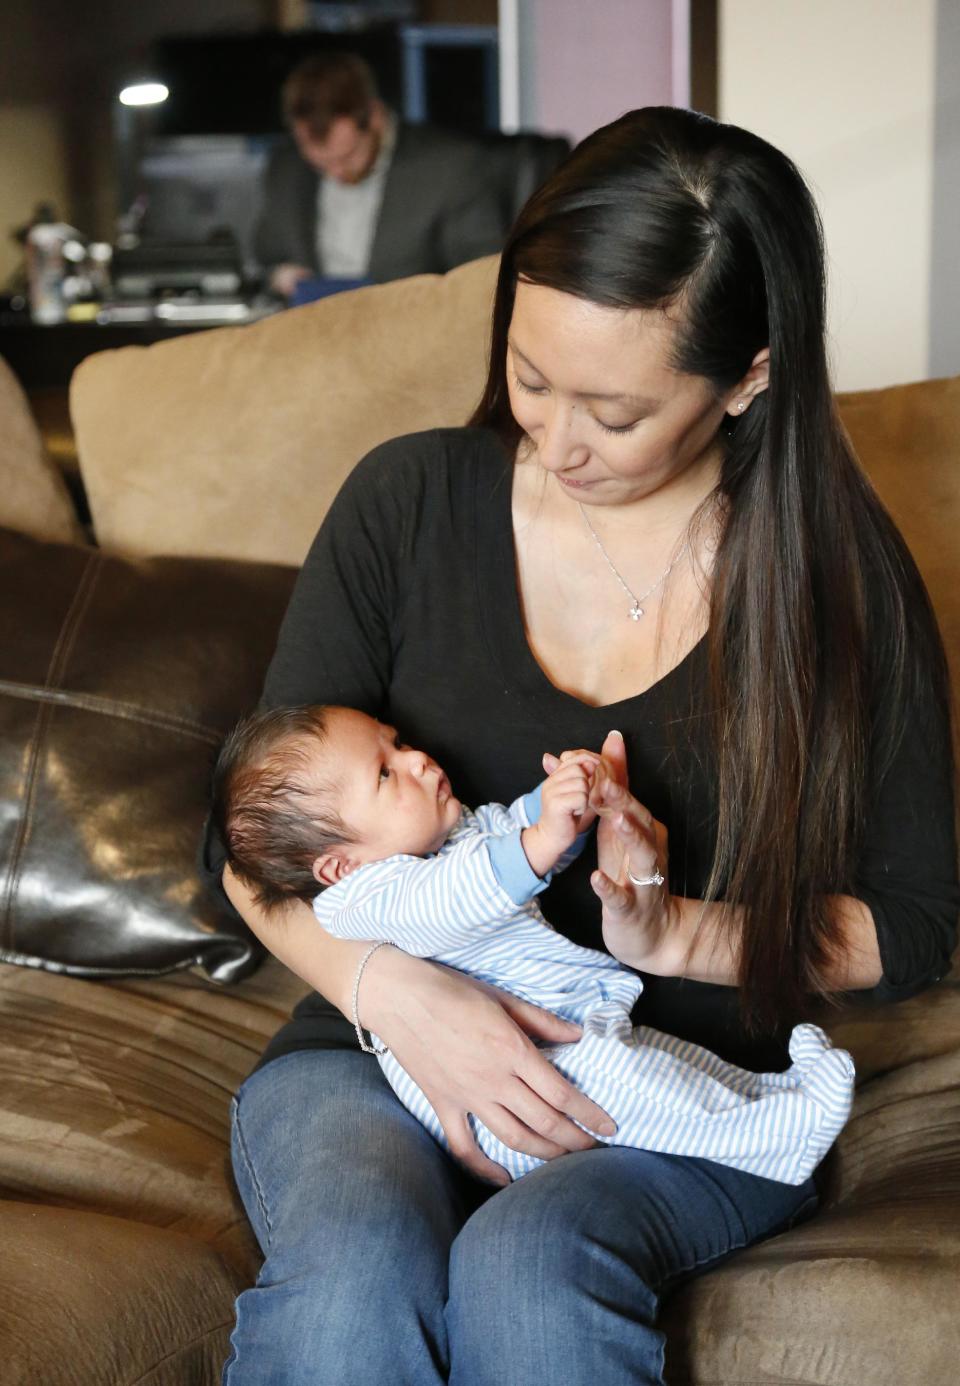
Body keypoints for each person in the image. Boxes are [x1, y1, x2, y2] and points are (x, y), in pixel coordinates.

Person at [206, 106, 959, 1385]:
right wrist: (404, 996)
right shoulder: (409, 503)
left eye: (611, 411)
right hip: (372, 1050)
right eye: (530, 378)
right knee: (352, 1281)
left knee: (532, 1270)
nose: (556, 446)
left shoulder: (836, 585)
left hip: (671, 1089)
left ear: (750, 377)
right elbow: (250, 848)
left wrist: (678, 936)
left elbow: (919, 924)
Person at [212, 703, 855, 1186]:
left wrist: (562, 802)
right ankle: (779, 1139)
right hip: (514, 1087)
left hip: (561, 1031)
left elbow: (508, 831)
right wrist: (542, 839)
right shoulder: (364, 898)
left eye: (398, 742)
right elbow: (459, 894)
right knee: (642, 1091)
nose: (417, 759)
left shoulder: (449, 831)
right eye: (386, 773)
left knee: (665, 1065)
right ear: (338, 865)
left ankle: (771, 1096)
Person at [253, 51, 510, 299]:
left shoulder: (451, 167)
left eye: (347, 156)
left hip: (411, 332)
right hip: (314, 331)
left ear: (374, 117)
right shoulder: (285, 169)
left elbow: (482, 277)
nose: (336, 173)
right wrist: (279, 275)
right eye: (320, 164)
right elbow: (264, 259)